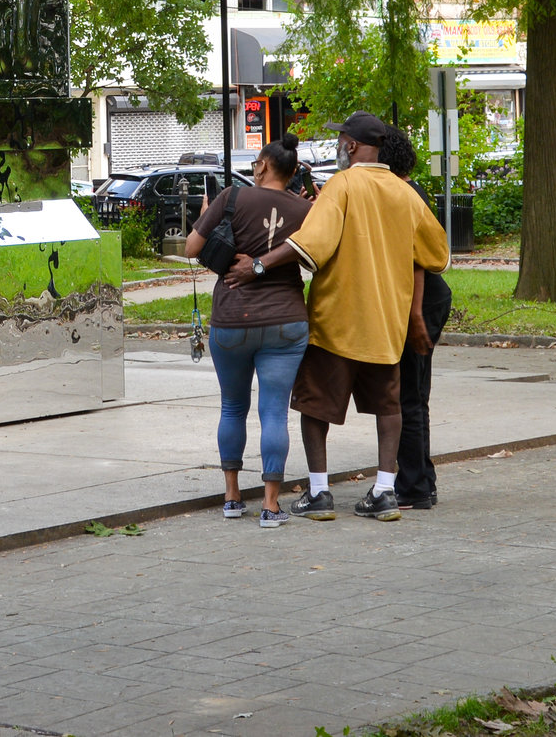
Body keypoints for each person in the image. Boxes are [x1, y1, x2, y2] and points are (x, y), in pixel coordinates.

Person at [224, 111, 448, 523]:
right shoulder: (405, 193)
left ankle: (320, 493)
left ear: (351, 146)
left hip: (336, 319)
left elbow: (312, 244)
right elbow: (437, 253)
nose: (338, 146)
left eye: (340, 140)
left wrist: (258, 265)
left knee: (315, 407)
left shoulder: (342, 184)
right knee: (389, 406)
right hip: (385, 322)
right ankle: (384, 492)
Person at [185, 140, 312, 527]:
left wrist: (207, 217)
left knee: (233, 407)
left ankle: (232, 497)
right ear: (292, 173)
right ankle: (271, 506)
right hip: (285, 321)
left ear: (261, 167)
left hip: (232, 319)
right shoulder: (306, 209)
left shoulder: (231, 198)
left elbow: (192, 248)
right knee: (274, 412)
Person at [383, 130, 453, 510]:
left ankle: (414, 487)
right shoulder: (408, 192)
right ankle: (421, 479)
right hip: (424, 303)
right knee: (414, 395)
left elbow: (419, 261)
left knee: (409, 396)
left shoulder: (406, 196)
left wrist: (415, 317)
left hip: (422, 303)